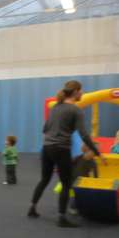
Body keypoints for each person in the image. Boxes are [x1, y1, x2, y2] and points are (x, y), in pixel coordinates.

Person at [28, 80, 102, 228]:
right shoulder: (75, 110)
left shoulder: (55, 107)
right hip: (61, 149)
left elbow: (45, 129)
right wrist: (96, 151)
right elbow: (84, 134)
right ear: (75, 92)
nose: (82, 93)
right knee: (66, 183)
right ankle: (61, 218)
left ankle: (32, 208)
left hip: (47, 147)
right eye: (81, 90)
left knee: (44, 179)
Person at [67, 143, 99, 216]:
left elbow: (95, 174)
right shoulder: (78, 158)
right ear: (86, 151)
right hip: (73, 179)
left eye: (95, 153)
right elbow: (69, 165)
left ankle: (76, 206)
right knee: (73, 194)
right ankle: (72, 207)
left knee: (78, 195)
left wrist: (95, 181)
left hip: (83, 182)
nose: (93, 154)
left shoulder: (93, 163)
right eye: (93, 152)